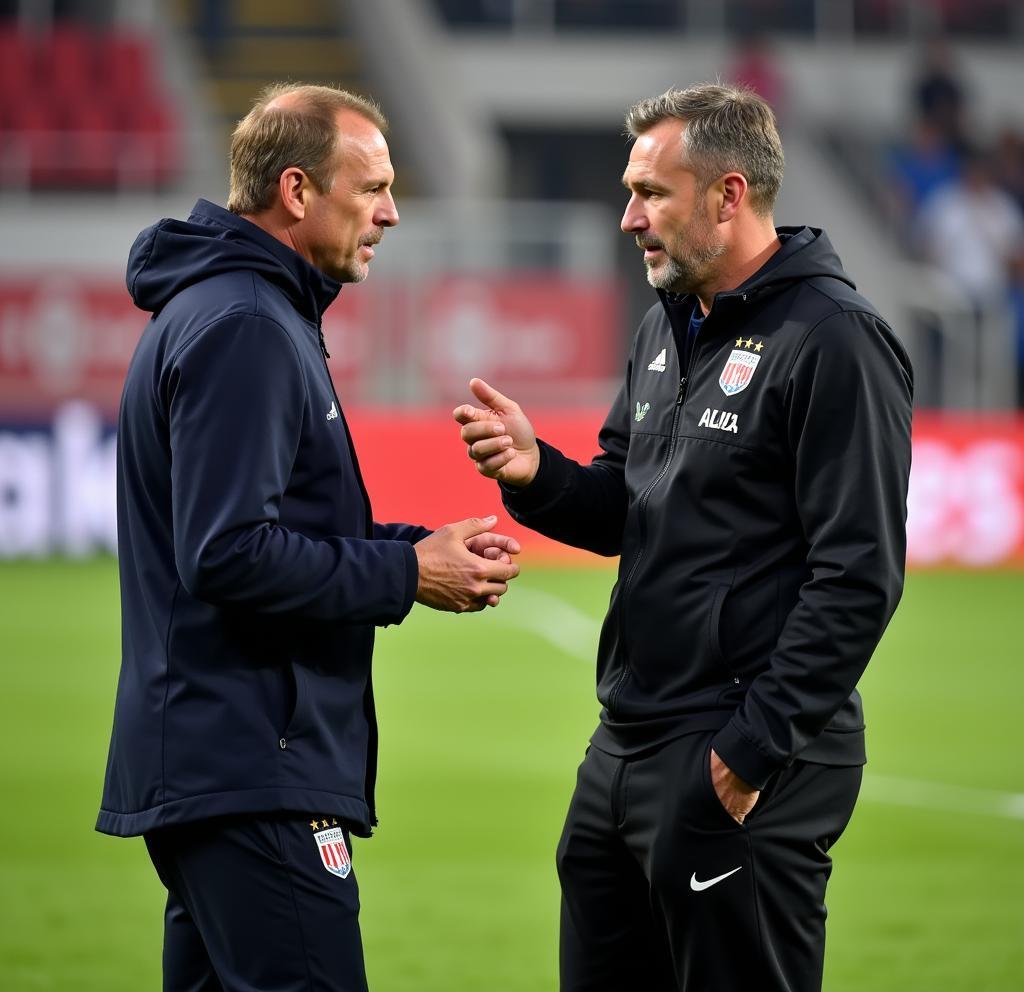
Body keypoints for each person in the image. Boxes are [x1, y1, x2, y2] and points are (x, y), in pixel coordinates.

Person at [455, 83, 913, 992]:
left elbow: (858, 577)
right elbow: (629, 508)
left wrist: (748, 757)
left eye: (652, 193)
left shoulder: (836, 342)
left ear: (729, 195)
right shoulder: (666, 329)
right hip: (626, 739)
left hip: (742, 750)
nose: (629, 218)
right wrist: (535, 473)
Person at [96, 83, 520, 992]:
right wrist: (406, 574)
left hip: (227, 762)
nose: (392, 212)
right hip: (252, 766)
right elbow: (227, 550)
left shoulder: (242, 309)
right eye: (371, 188)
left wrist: (420, 549)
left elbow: (280, 529)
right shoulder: (247, 324)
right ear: (297, 190)